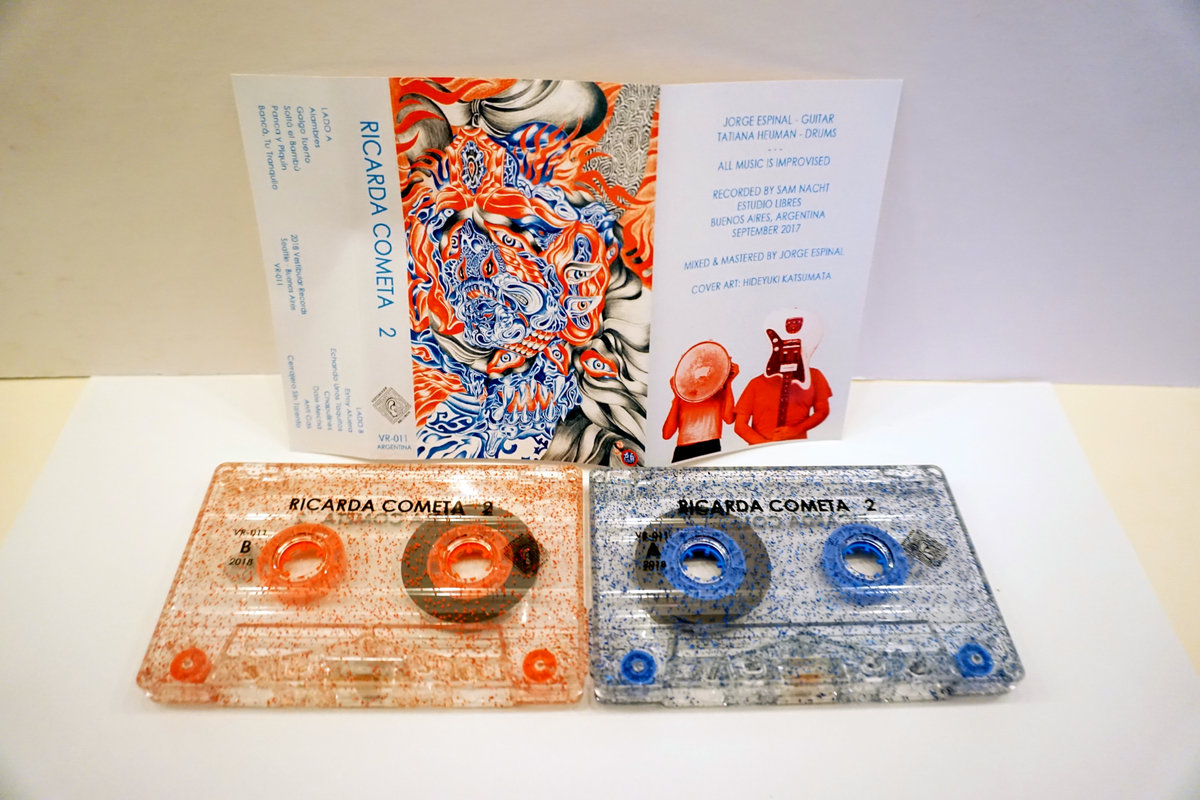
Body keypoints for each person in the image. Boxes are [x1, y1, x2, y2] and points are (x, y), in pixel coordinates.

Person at [734, 314, 831, 444]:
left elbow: (822, 411)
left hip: (796, 447)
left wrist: (796, 430)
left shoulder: (815, 376)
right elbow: (740, 426)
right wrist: (764, 446)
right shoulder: (756, 384)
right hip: (760, 450)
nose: (790, 354)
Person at [662, 344, 739, 462]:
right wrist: (677, 395)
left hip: (710, 447)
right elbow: (667, 434)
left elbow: (729, 419)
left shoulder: (717, 392)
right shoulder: (684, 397)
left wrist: (728, 383)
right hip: (683, 451)